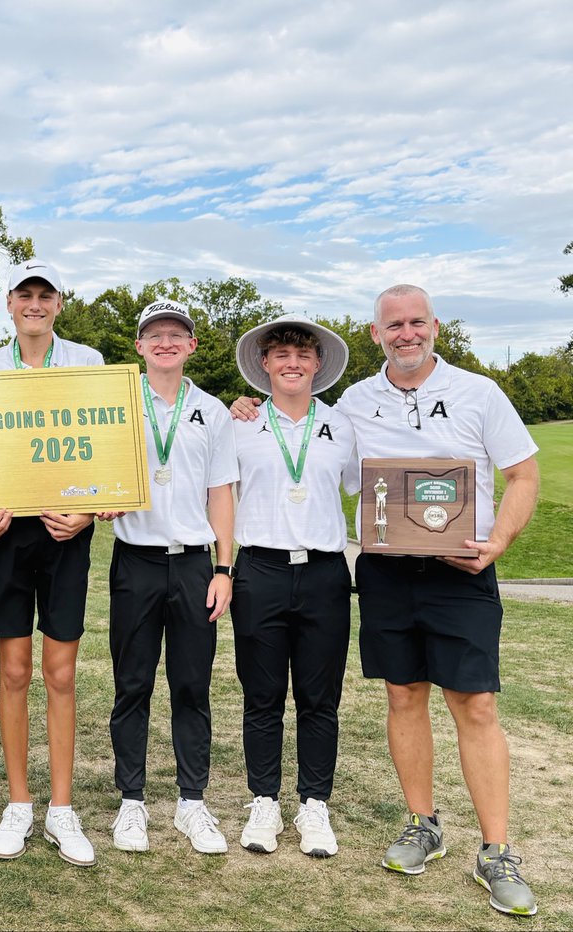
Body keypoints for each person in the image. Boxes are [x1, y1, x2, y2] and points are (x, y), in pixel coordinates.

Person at [232, 284, 541, 916]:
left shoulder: (479, 393)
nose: (407, 333)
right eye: (394, 324)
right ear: (376, 334)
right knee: (403, 695)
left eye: (416, 322)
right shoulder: (354, 404)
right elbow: (299, 429)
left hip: (461, 570)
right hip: (386, 572)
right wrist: (246, 408)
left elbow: (523, 476)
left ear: (434, 327)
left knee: (475, 704)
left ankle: (496, 850)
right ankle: (422, 824)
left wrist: (498, 544)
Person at [0, 259, 103, 867]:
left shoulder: (90, 364)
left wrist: (91, 511)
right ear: (9, 303)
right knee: (15, 671)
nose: (35, 304)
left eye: (45, 294)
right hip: (7, 536)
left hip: (67, 529)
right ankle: (20, 802)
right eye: (25, 294)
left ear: (59, 302)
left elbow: (106, 452)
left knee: (62, 673)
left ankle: (62, 809)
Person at [97, 300, 237, 856]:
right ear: (139, 345)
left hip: (194, 562)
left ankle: (191, 802)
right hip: (136, 558)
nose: (165, 342)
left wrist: (225, 567)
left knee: (190, 684)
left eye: (176, 334)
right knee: (132, 682)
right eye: (154, 334)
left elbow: (221, 493)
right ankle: (131, 802)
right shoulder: (115, 401)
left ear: (191, 346)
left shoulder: (213, 411)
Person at [229, 315, 354, 858]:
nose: (292, 363)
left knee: (319, 699)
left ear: (318, 363)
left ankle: (314, 805)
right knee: (262, 697)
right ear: (265, 363)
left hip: (326, 572)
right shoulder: (240, 422)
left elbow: (373, 486)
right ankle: (264, 802)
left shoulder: (345, 424)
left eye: (302, 354)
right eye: (280, 354)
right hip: (260, 570)